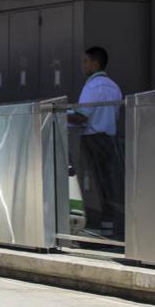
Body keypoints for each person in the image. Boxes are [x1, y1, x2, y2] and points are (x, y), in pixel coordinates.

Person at [68, 46, 124, 237]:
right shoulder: (114, 87)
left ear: (95, 63)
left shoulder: (92, 86)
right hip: (110, 139)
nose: (84, 65)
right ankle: (110, 225)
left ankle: (98, 225)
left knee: (93, 183)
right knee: (109, 182)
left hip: (93, 139)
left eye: (86, 61)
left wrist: (61, 114)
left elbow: (82, 117)